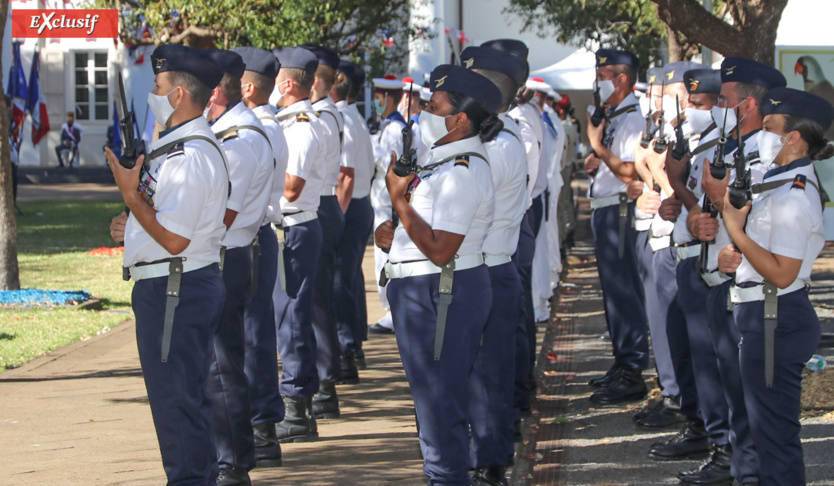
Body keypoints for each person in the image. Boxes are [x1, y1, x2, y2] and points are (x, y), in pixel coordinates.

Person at [106, 44, 228, 485]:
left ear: (178, 95)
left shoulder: (190, 154)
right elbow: (164, 219)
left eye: (158, 85)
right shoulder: (174, 147)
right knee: (178, 403)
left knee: (178, 405)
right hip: (173, 286)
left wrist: (130, 194)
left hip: (177, 288)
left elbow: (175, 240)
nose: (153, 93)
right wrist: (132, 222)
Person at [374, 63, 501, 486]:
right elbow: (423, 234)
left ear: (459, 118)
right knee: (432, 405)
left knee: (440, 406)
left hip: (442, 293)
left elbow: (442, 249)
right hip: (426, 293)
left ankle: (446, 479)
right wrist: (394, 232)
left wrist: (400, 200)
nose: (425, 111)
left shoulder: (463, 169)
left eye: (434, 104)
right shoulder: (440, 163)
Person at [718, 87, 831, 486]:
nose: (759, 133)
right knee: (758, 431)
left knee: (775, 439)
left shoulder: (795, 194)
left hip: (776, 319)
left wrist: (736, 231)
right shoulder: (777, 182)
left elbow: (783, 273)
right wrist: (733, 256)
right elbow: (760, 252)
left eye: (768, 126)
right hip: (760, 313)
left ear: (793, 137)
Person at [649, 68, 732, 467]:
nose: (690, 112)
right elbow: (688, 208)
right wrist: (672, 204)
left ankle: (719, 441)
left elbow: (708, 213)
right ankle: (698, 425)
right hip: (682, 257)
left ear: (719, 105)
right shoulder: (699, 145)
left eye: (697, 105)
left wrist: (676, 184)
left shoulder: (720, 150)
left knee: (707, 359)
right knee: (685, 353)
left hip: (704, 263)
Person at [205, 48, 280, 483]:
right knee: (220, 362)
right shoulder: (227, 131)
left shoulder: (239, 138)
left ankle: (232, 464)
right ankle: (227, 457)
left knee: (222, 365)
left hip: (227, 254)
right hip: (225, 253)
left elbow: (221, 217)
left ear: (214, 89)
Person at [462, 44, 529, 486]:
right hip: (485, 266)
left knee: (486, 378)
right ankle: (484, 457)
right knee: (480, 375)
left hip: (485, 267)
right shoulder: (492, 139)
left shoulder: (497, 147)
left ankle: (489, 466)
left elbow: (465, 213)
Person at [231, 45, 290, 466]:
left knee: (252, 336)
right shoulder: (266, 124)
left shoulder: (257, 130)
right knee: (254, 333)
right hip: (257, 235)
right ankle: (259, 423)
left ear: (247, 87)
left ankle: (261, 426)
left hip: (251, 237)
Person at [583, 49, 649, 405]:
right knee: (613, 292)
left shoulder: (633, 117)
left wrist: (597, 145)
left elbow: (629, 171)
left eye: (603, 74)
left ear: (620, 79)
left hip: (620, 211)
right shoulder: (616, 114)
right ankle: (622, 361)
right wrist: (597, 159)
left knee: (624, 291)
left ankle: (633, 367)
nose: (598, 81)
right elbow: (613, 165)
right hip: (607, 207)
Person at [270, 46, 327, 443]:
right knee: (288, 316)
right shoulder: (288, 121)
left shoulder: (302, 125)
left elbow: (291, 188)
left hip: (294, 229)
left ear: (288, 84)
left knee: (291, 318)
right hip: (290, 228)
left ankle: (296, 404)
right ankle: (297, 399)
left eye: (275, 81)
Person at [298, 43, 347, 420]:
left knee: (317, 302)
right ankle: (322, 379)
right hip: (321, 203)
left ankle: (326, 382)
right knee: (315, 300)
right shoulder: (320, 114)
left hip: (322, 203)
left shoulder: (322, 117)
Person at [332, 60, 375, 383]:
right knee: (349, 279)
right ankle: (354, 343)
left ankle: (346, 351)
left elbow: (345, 175)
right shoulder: (354, 116)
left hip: (349, 205)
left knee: (340, 282)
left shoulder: (343, 119)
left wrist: (337, 217)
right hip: (359, 205)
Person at [368, 74, 407, 335]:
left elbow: (393, 164)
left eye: (379, 98)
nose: (376, 103)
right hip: (382, 200)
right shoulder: (390, 125)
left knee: (384, 259)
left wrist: (372, 151)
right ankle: (390, 309)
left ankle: (391, 311)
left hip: (386, 201)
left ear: (389, 98)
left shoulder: (394, 129)